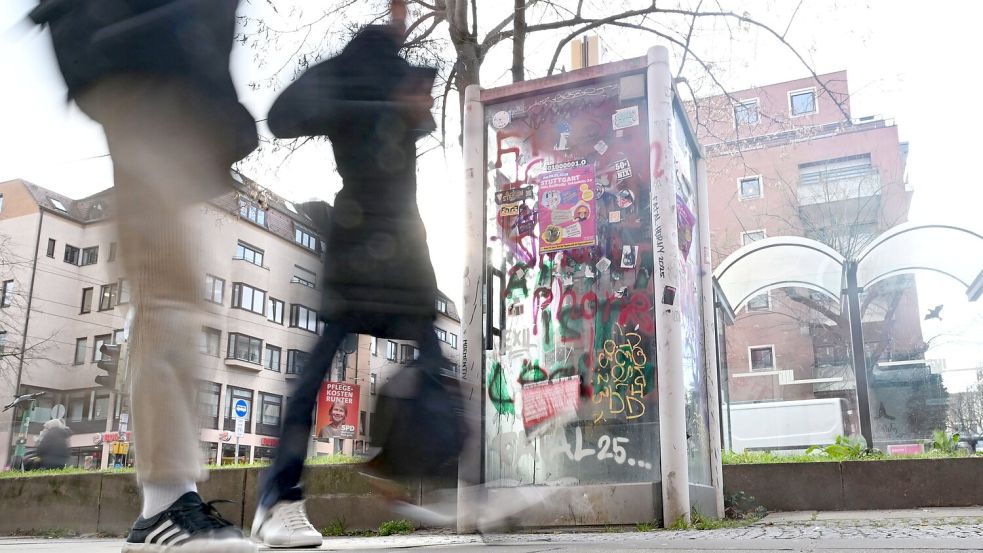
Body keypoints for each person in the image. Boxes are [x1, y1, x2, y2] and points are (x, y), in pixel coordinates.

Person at [28, 1, 258, 551]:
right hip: (138, 65)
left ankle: (167, 498)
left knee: (176, 292)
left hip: (151, 69)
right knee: (167, 291)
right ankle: (163, 505)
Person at [250, 1, 465, 547]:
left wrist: (392, 41)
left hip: (404, 245)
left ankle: (400, 473)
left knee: (430, 363)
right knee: (322, 369)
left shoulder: (392, 79)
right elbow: (280, 117)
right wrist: (355, 97)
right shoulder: (357, 80)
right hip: (363, 244)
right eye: (418, 96)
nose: (426, 107)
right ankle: (278, 499)